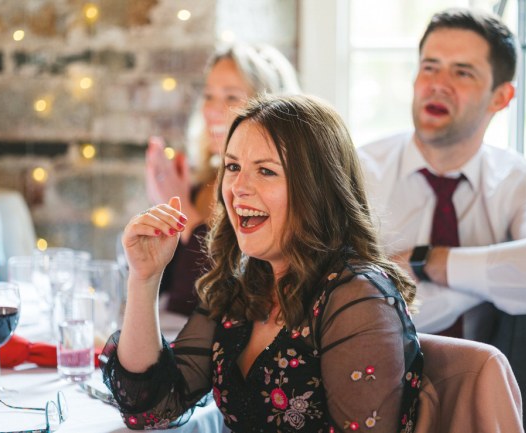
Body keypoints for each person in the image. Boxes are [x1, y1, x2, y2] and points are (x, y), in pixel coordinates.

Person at [102, 95, 423, 432]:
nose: (238, 188)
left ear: (317, 188)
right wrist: (144, 278)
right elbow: (151, 409)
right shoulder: (243, 290)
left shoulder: (358, 298)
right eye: (232, 167)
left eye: (266, 171)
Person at [358, 8, 526, 433]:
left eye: (463, 72)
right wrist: (505, 286)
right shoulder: (359, 174)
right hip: (374, 392)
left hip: (488, 405)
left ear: (501, 97)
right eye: (429, 67)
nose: (438, 84)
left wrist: (427, 261)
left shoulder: (518, 181)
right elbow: (358, 313)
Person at [144, 43, 301, 316]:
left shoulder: (277, 195)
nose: (213, 110)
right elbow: (166, 297)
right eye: (208, 96)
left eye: (231, 97)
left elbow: (203, 301)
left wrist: (187, 219)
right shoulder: (198, 183)